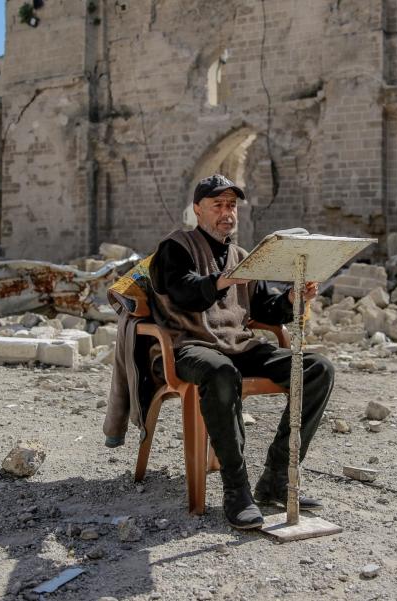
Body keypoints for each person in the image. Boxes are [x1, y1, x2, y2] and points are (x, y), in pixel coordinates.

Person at [147, 174, 335, 529]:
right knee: (221, 373)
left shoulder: (242, 256)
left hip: (238, 344)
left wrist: (293, 299)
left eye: (231, 205)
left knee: (318, 369)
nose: (226, 212)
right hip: (188, 346)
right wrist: (223, 280)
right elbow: (183, 292)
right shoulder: (175, 246)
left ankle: (277, 477)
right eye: (217, 205)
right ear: (197, 210)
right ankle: (237, 489)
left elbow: (264, 307)